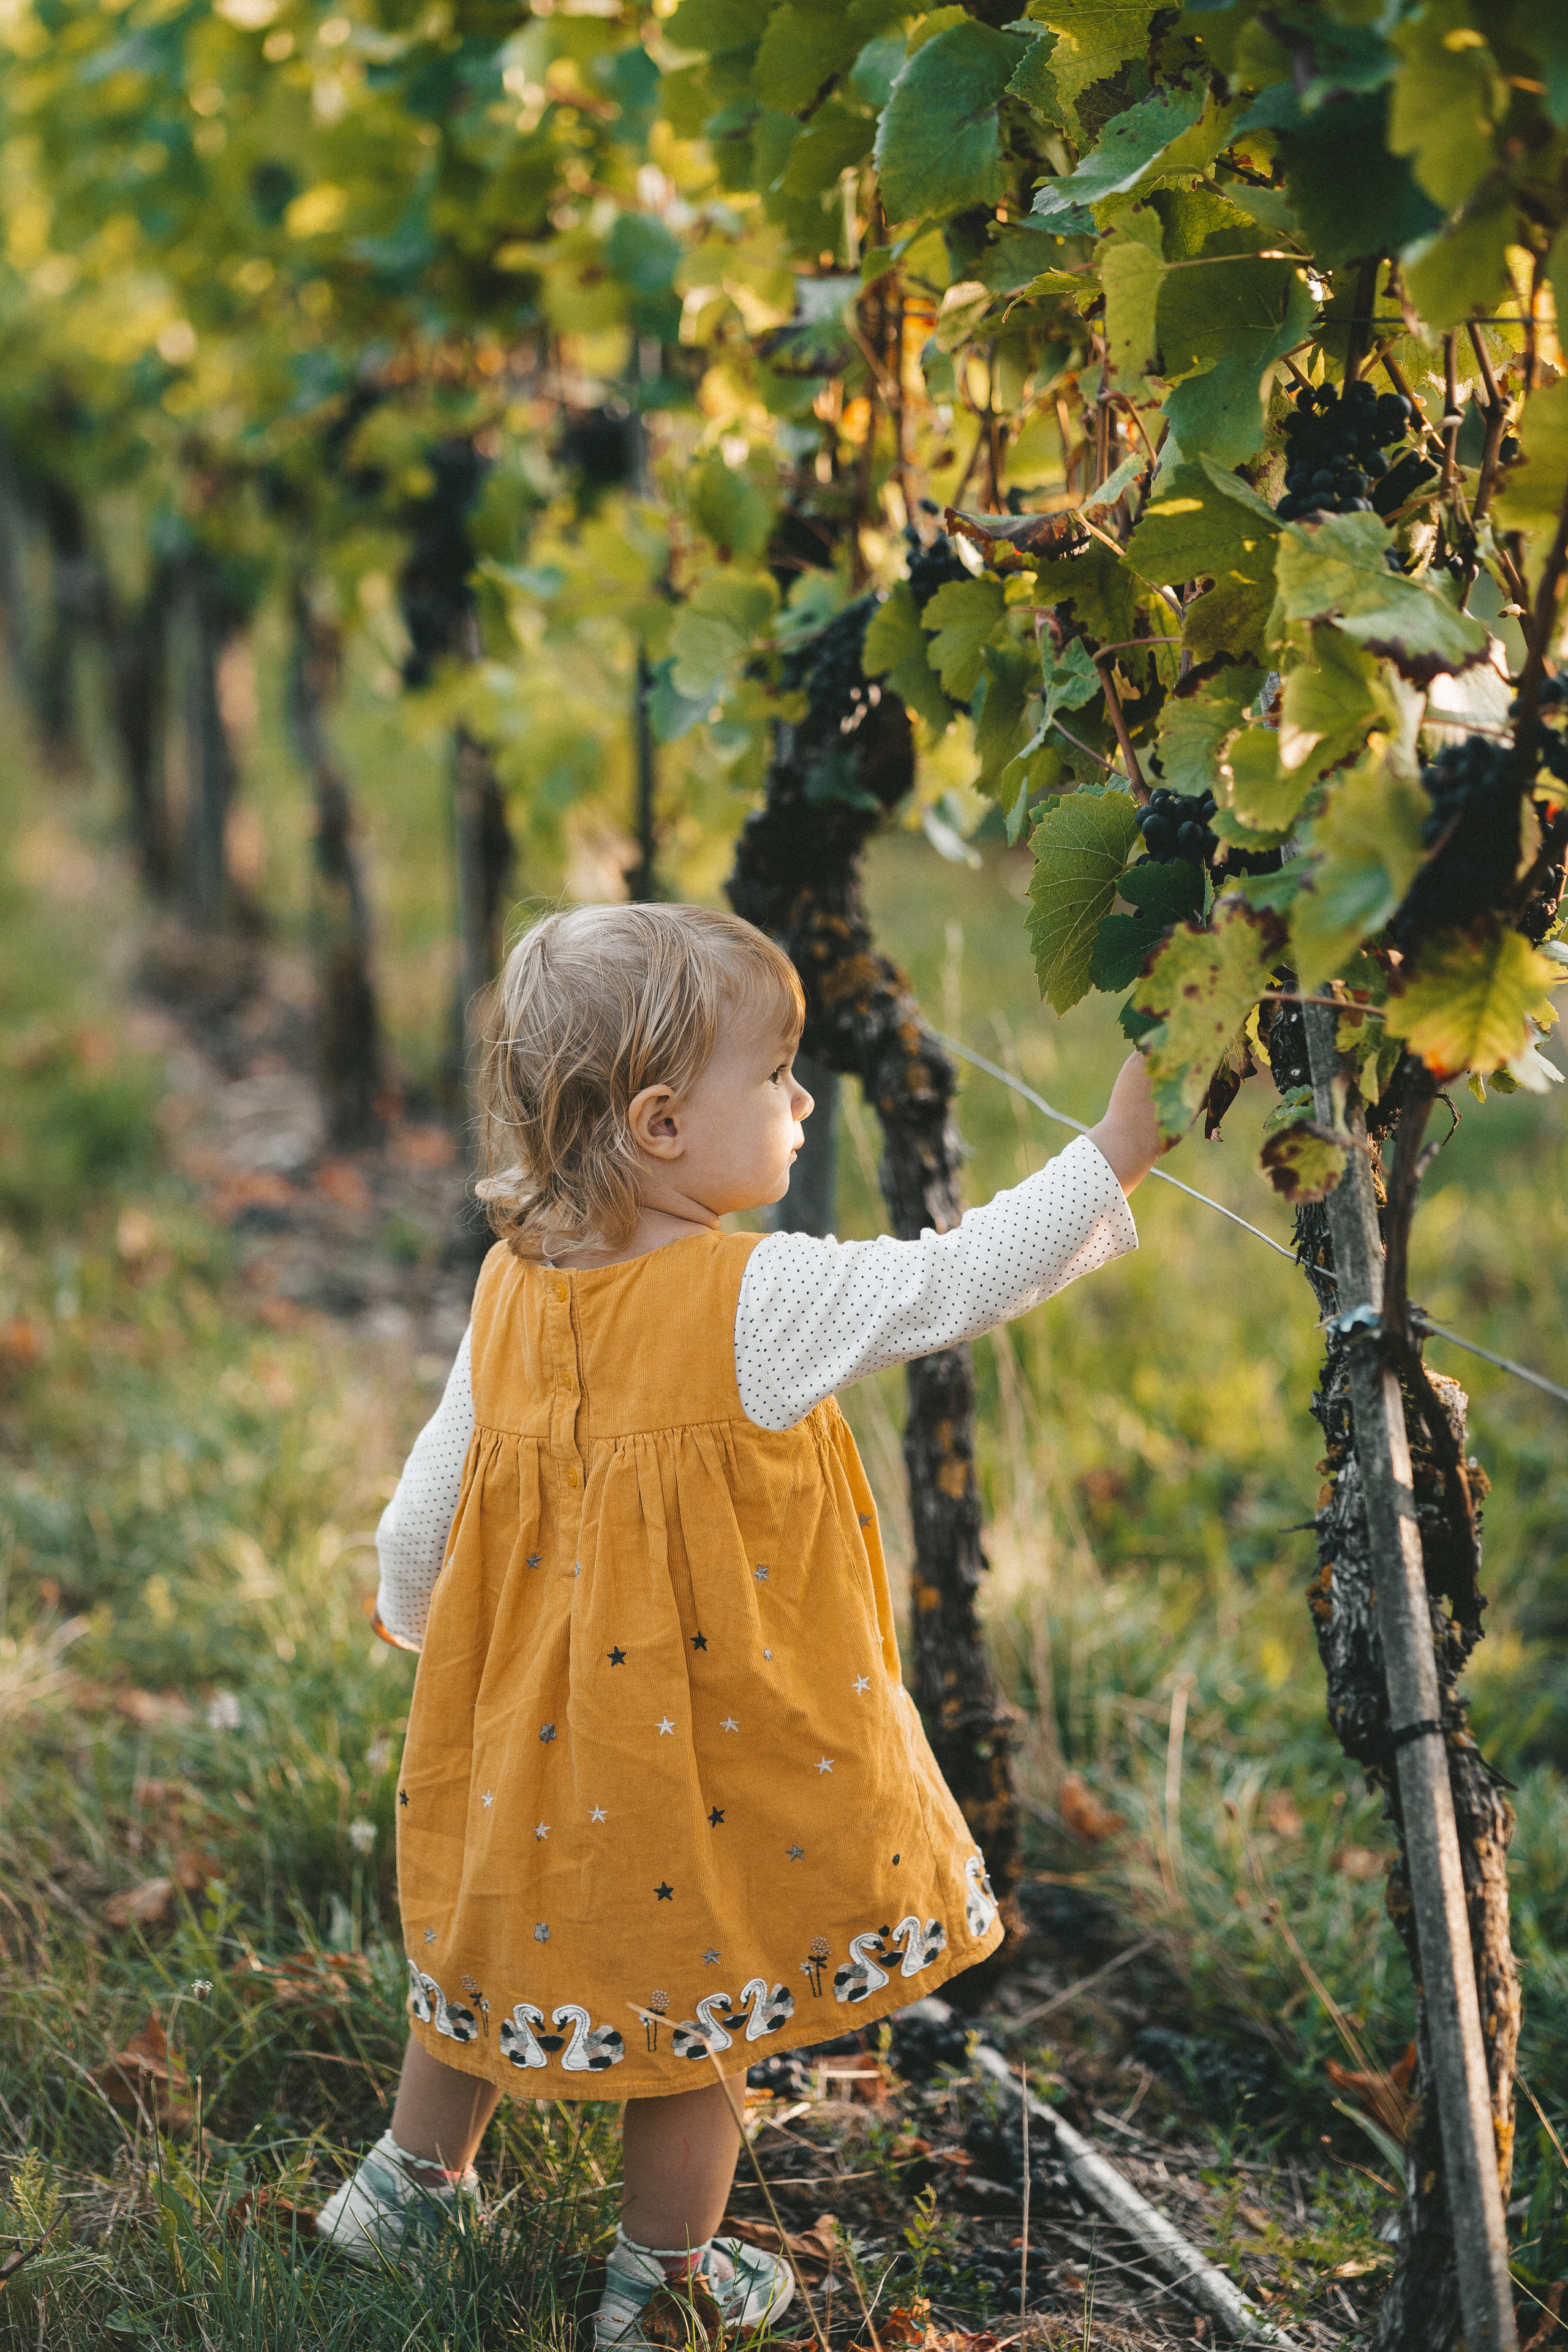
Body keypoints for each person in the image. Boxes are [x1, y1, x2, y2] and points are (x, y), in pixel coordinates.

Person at [317, 903, 1161, 2341]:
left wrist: (416, 1617)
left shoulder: (513, 1280)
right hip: (684, 1745)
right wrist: (1121, 1146)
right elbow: (956, 1277)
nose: (801, 1099)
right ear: (658, 1123)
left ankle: (405, 2185)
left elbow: (427, 1494)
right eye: (775, 1075)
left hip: (522, 1709)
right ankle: (664, 2285)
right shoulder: (754, 1296)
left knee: (485, 1924)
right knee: (692, 1982)